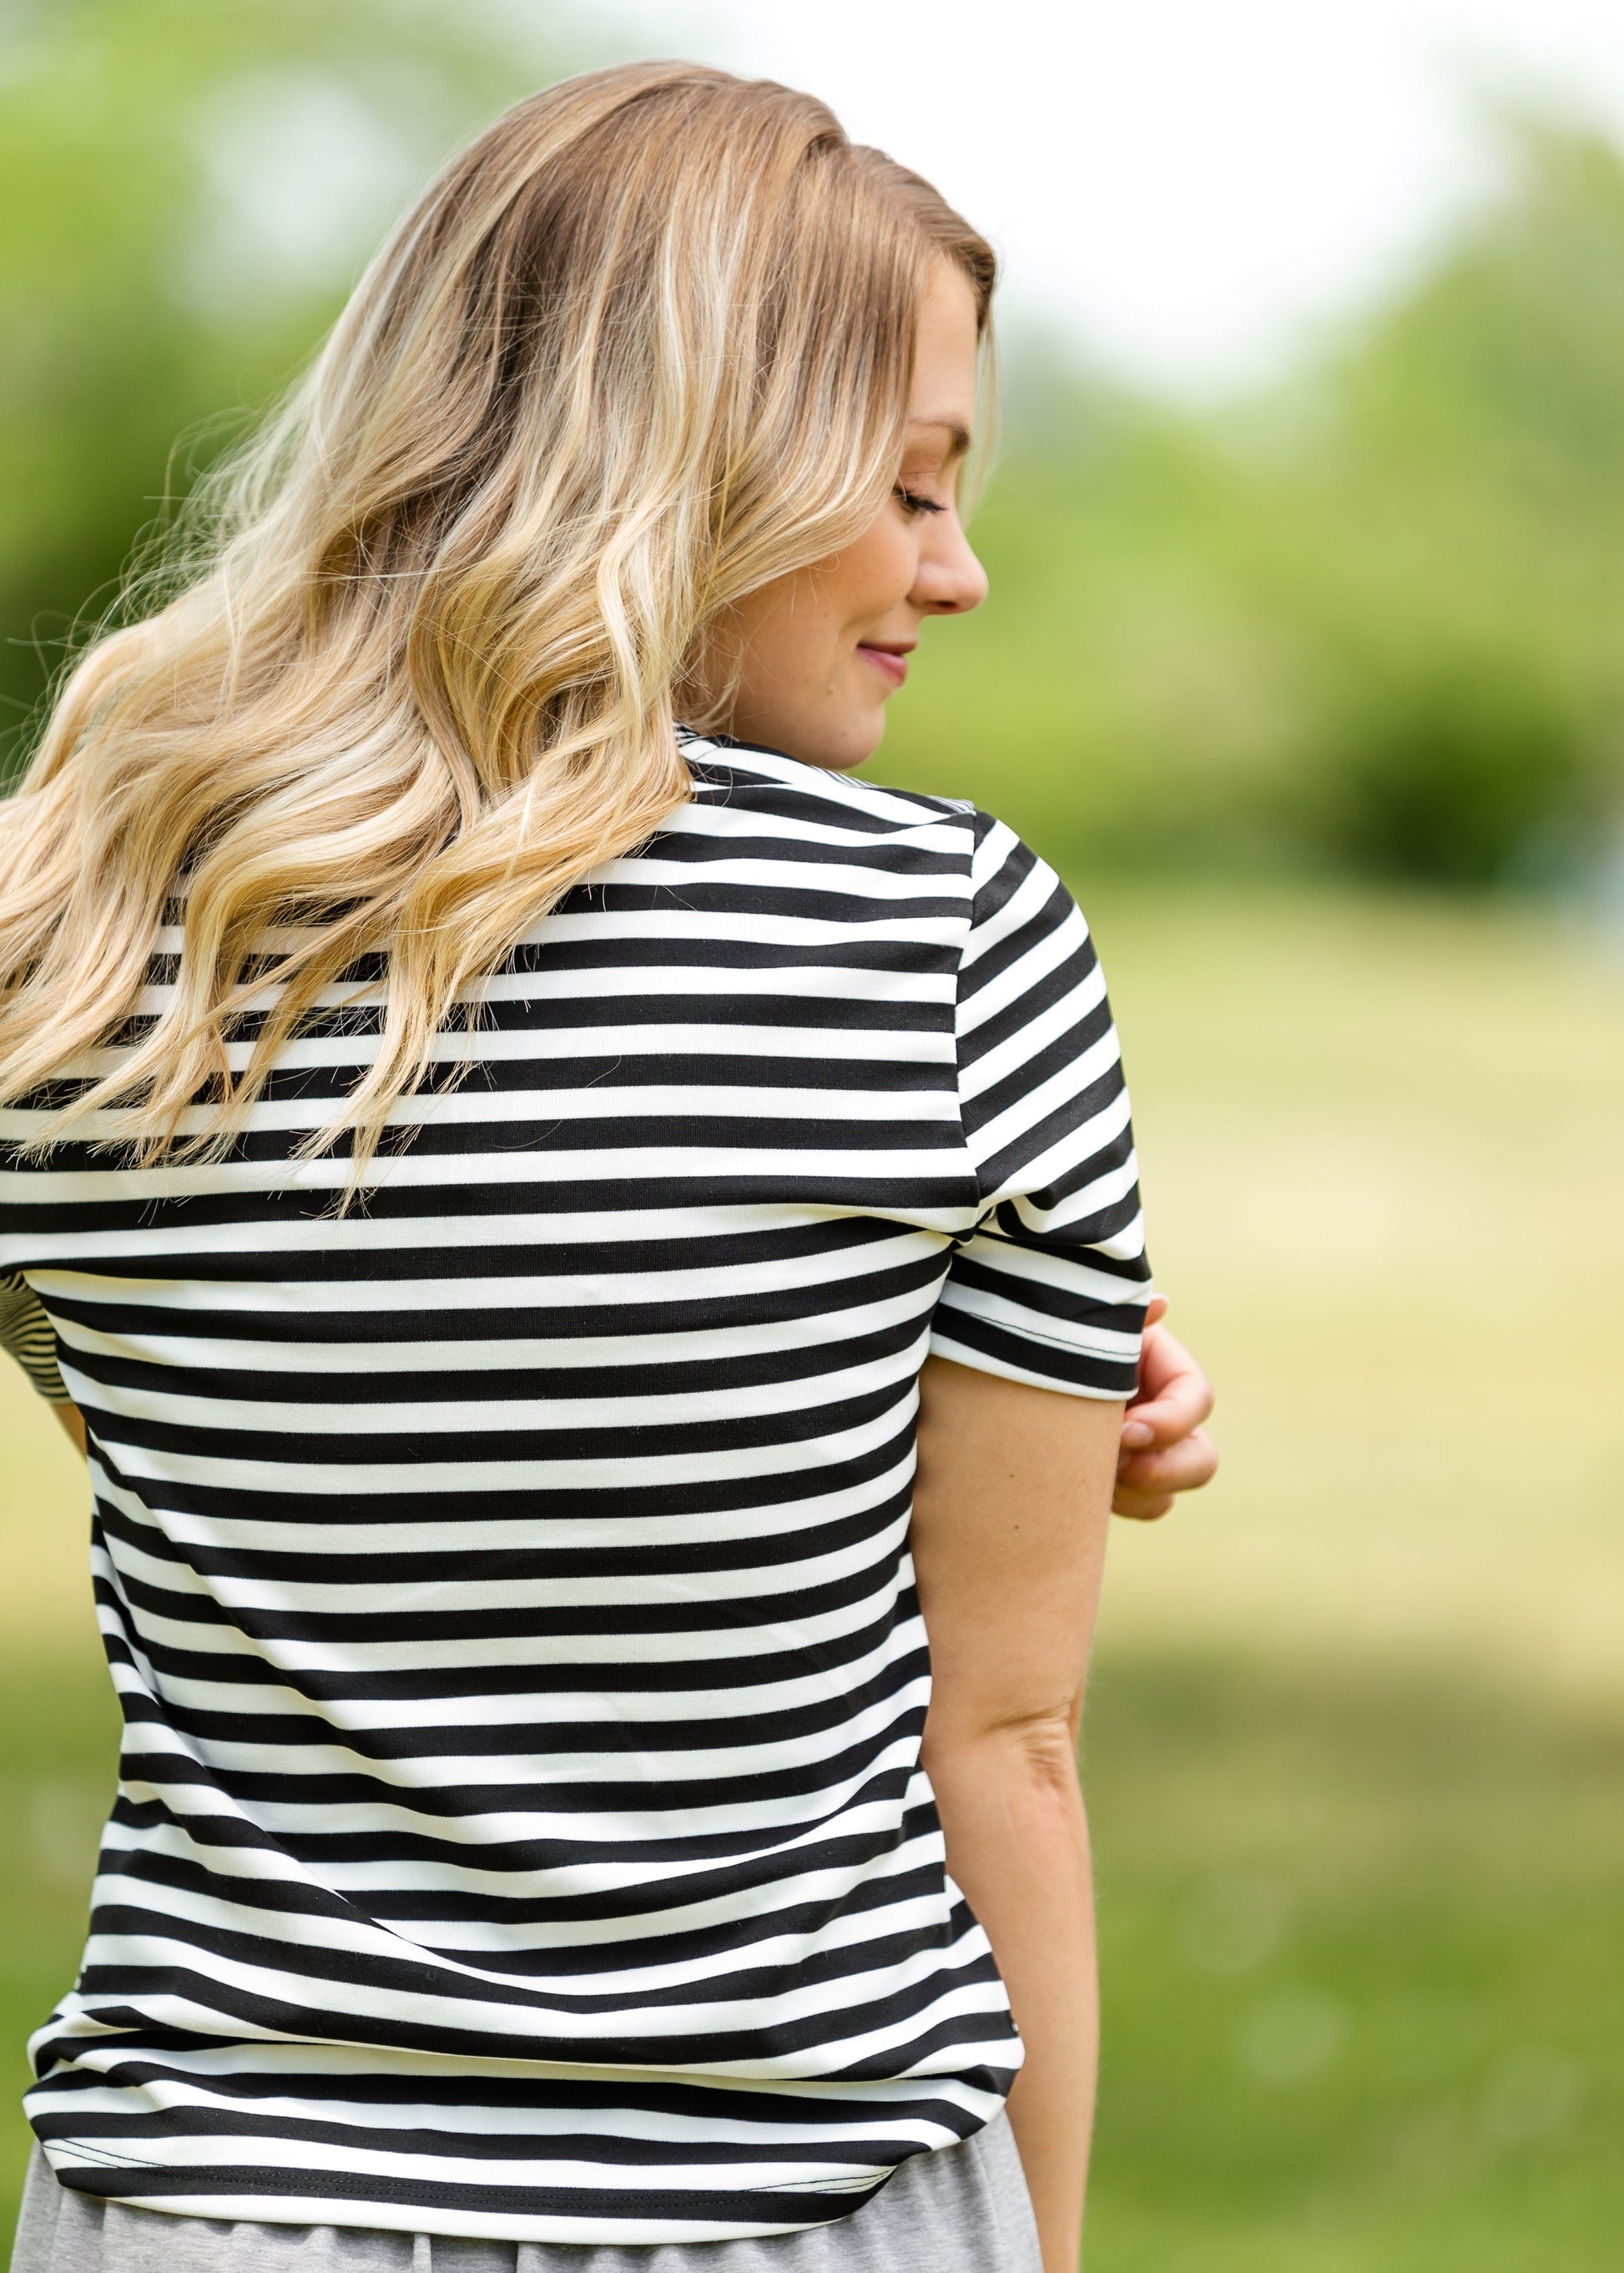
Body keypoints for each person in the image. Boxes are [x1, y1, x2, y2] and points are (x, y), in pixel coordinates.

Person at [0, 62, 1215, 2273]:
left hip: (210, 2202)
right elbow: (1001, 1736)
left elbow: (280, 1453)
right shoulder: (943, 935)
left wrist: (815, 1407)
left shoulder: (67, 927)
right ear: (698, 459)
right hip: (808, 2202)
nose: (956, 571)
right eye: (914, 485)